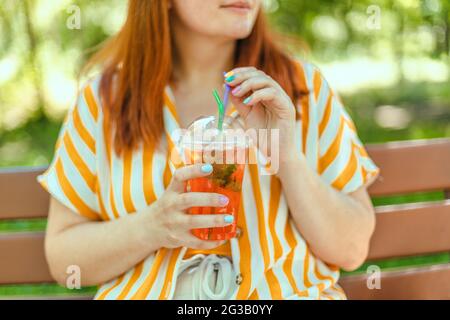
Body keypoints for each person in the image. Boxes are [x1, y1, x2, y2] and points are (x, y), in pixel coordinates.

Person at [38, 0, 380, 300]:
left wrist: (286, 155)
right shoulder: (102, 102)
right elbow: (64, 261)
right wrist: (152, 227)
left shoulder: (303, 89)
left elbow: (351, 250)